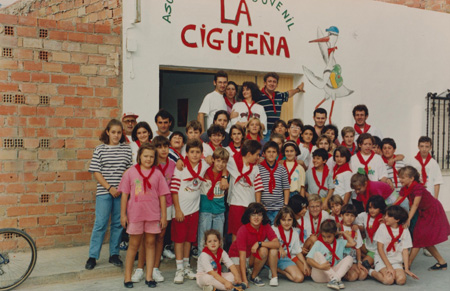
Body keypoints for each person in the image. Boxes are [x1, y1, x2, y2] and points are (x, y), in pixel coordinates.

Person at [119, 143, 169, 288]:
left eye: (151, 156)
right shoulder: (130, 172)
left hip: (153, 215)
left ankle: (149, 276)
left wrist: (163, 216)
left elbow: (163, 197)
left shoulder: (158, 174)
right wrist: (123, 215)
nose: (148, 159)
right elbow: (124, 195)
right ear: (139, 156)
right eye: (145, 156)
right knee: (134, 245)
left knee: (150, 244)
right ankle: (127, 277)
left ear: (155, 158)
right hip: (135, 215)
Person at [85, 119, 132, 270]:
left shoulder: (126, 149)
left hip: (121, 192)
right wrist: (109, 187)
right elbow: (96, 172)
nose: (116, 135)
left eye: (119, 132)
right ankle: (93, 256)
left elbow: (128, 170)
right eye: (113, 132)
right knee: (100, 224)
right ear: (107, 132)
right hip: (104, 192)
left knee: (118, 224)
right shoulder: (100, 149)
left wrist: (119, 187)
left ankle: (114, 254)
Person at [131, 136, 177, 283]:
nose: (163, 149)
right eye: (160, 147)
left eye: (166, 146)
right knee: (146, 238)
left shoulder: (175, 164)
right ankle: (140, 268)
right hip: (149, 206)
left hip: (167, 205)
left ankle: (155, 268)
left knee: (160, 237)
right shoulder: (150, 165)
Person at [396, 166, 450, 270]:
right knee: (424, 239)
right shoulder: (405, 188)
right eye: (400, 177)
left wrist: (408, 219)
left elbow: (415, 205)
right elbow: (399, 200)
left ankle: (408, 264)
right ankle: (442, 262)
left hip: (432, 210)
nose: (400, 180)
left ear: (411, 178)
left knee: (419, 237)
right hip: (423, 212)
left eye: (403, 177)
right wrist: (386, 212)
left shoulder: (418, 188)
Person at [170, 139, 208, 284]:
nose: (195, 155)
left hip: (194, 210)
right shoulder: (181, 167)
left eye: (198, 152)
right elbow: (174, 190)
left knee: (188, 240)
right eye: (192, 152)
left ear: (201, 154)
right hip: (181, 210)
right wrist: (178, 210)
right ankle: (179, 268)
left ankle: (186, 266)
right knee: (179, 240)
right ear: (187, 153)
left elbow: (214, 160)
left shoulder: (203, 165)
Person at [228, 203, 280, 287]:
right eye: (253, 215)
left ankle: (253, 276)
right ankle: (245, 272)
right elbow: (242, 257)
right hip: (237, 256)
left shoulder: (266, 226)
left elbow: (277, 244)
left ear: (263, 217)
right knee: (237, 279)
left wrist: (259, 243)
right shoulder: (243, 230)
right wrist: (244, 281)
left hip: (252, 255)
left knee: (264, 250)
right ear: (249, 216)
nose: (256, 217)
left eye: (259, 215)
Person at [368, 206, 418, 285]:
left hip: (396, 260)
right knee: (388, 280)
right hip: (382, 259)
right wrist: (389, 267)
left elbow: (405, 250)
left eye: (389, 216)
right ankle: (371, 271)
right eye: (385, 215)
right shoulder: (382, 227)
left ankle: (391, 271)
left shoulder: (404, 230)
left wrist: (407, 268)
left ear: (397, 219)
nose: (385, 217)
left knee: (401, 280)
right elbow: (380, 249)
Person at [227, 140, 264, 241]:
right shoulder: (232, 161)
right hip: (236, 203)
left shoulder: (255, 168)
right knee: (236, 232)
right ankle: (235, 254)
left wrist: (258, 204)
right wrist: (223, 177)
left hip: (250, 204)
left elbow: (258, 187)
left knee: (250, 231)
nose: (258, 157)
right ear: (249, 154)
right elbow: (220, 161)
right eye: (256, 154)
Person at [306, 219, 355, 290]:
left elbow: (353, 243)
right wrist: (320, 266)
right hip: (320, 274)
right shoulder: (318, 243)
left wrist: (343, 233)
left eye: (329, 237)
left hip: (333, 271)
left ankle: (335, 279)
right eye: (323, 236)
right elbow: (308, 259)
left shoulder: (340, 242)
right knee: (317, 254)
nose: (326, 239)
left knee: (350, 258)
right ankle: (336, 278)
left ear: (334, 234)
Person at [198, 148, 230, 251]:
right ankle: (202, 261)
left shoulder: (226, 175)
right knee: (203, 239)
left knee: (218, 238)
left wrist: (225, 177)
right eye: (218, 161)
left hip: (219, 211)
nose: (220, 164)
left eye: (223, 162)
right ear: (213, 160)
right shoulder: (205, 171)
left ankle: (216, 261)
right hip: (205, 209)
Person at [257, 72, 305, 139]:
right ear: (265, 83)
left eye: (274, 82)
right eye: (269, 81)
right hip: (263, 132)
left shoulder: (279, 95)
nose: (272, 84)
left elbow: (288, 93)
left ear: (277, 84)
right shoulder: (258, 96)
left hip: (276, 132)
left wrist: (298, 89)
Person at [272, 206, 311, 283]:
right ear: (279, 220)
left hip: (285, 258)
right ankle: (272, 267)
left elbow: (297, 251)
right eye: (283, 220)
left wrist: (305, 263)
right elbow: (269, 244)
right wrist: (279, 247)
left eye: (289, 220)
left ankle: (278, 270)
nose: (286, 223)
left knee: (301, 277)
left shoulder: (295, 233)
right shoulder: (274, 229)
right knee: (272, 251)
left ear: (293, 220)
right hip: (273, 256)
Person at [257, 141, 290, 224]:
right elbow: (257, 188)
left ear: (277, 154)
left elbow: (286, 188)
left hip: (278, 208)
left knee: (276, 231)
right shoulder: (258, 169)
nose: (271, 154)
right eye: (268, 152)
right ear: (264, 154)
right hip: (264, 208)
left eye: (274, 152)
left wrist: (285, 205)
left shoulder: (282, 169)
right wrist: (259, 204)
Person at [355, 195, 386, 270]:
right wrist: (357, 227)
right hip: (367, 245)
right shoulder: (363, 215)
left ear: (381, 208)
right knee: (355, 245)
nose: (372, 210)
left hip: (377, 249)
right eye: (370, 207)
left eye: (375, 208)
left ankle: (373, 262)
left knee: (365, 264)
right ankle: (373, 261)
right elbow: (352, 218)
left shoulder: (385, 217)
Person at [340, 204, 367, 282]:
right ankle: (341, 273)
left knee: (362, 275)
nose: (349, 218)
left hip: (353, 259)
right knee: (353, 277)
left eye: (352, 216)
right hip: (341, 259)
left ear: (355, 217)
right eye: (347, 215)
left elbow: (357, 247)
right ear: (342, 216)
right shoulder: (339, 227)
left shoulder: (355, 229)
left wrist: (359, 262)